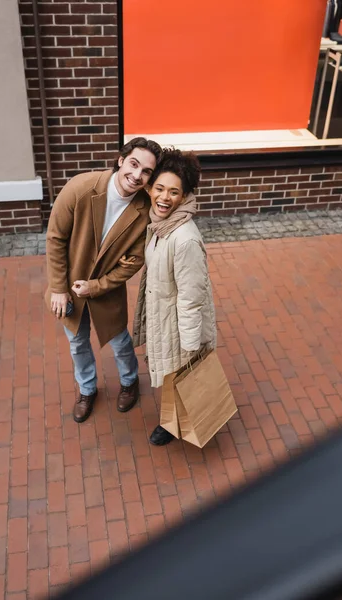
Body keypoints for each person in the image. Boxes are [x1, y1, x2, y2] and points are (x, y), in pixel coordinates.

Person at [45, 137, 162, 423]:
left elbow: (134, 262)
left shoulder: (145, 210)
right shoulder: (81, 188)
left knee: (120, 341)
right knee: (78, 342)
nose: (137, 175)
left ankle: (130, 381)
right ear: (121, 160)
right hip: (69, 288)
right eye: (134, 164)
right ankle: (87, 390)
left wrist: (96, 286)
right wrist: (59, 289)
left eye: (146, 171)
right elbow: (55, 238)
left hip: (106, 289)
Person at [130, 149, 217, 446]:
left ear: (185, 195)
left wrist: (192, 344)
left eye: (174, 192)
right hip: (164, 316)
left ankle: (175, 424)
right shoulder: (159, 224)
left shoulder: (184, 238)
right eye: (160, 188)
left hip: (179, 324)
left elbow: (192, 296)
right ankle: (171, 422)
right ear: (150, 189)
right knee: (171, 376)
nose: (165, 197)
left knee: (179, 374)